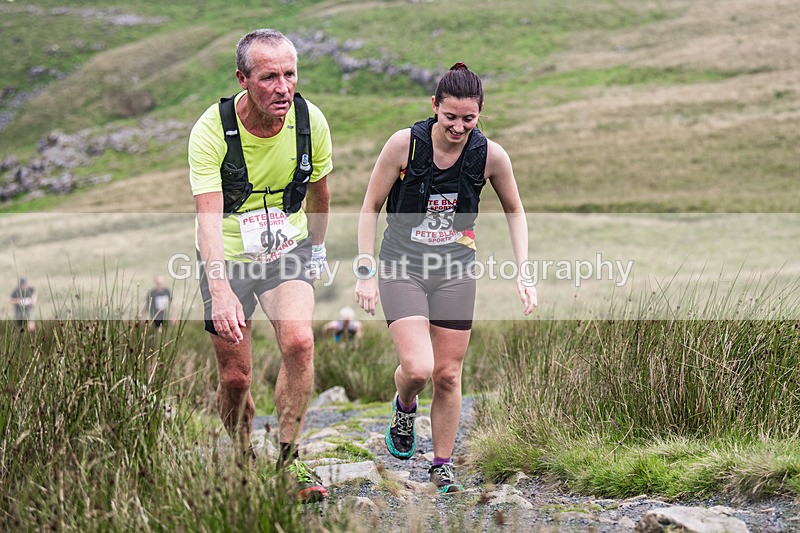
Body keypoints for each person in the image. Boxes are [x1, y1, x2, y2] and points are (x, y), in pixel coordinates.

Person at [354, 63, 537, 493]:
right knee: (418, 368)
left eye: (468, 119)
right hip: (402, 266)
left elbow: (516, 211)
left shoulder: (491, 155)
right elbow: (369, 207)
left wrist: (524, 271)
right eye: (449, 116)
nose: (458, 127)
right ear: (434, 106)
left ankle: (441, 464)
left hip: (455, 269)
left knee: (449, 375)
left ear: (480, 114)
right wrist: (365, 271)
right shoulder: (404, 145)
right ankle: (404, 405)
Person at [188, 29, 332, 502]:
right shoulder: (211, 131)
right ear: (242, 79)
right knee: (235, 378)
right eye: (269, 76)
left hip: (285, 249)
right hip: (226, 257)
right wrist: (221, 288)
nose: (283, 87)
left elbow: (319, 194)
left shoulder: (310, 121)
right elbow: (207, 220)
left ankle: (290, 462)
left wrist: (318, 248)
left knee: (300, 341)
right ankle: (241, 451)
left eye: (289, 74)